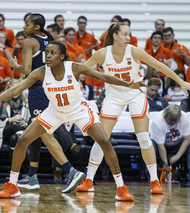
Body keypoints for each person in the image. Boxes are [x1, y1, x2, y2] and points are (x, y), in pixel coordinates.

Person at [0, 41, 143, 200]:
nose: (48, 56)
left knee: (104, 142)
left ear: (62, 56)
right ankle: (12, 185)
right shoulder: (41, 72)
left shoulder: (75, 68)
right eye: (47, 53)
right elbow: (16, 89)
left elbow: (103, 77)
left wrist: (127, 84)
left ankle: (121, 188)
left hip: (79, 110)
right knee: (23, 140)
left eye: (52, 53)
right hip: (54, 111)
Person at [79, 22, 190, 195]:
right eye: (124, 34)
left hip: (135, 93)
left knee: (144, 138)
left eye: (129, 34)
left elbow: (159, 66)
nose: (128, 37)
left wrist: (181, 81)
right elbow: (80, 69)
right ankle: (89, 179)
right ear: (115, 36)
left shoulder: (134, 51)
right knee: (102, 139)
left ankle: (154, 181)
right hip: (114, 95)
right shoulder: (102, 53)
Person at [8, 14, 82, 191]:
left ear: (36, 27)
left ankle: (70, 171)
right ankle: (32, 175)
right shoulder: (48, 39)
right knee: (36, 133)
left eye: (27, 24)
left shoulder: (28, 42)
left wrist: (14, 64)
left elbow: (26, 70)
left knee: (45, 133)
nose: (23, 27)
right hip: (51, 89)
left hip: (39, 91)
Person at [150, 104, 190, 181]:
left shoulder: (184, 118)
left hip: (178, 143)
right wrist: (165, 164)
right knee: (150, 146)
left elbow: (187, 140)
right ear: (165, 115)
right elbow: (160, 146)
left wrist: (177, 156)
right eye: (171, 120)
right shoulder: (158, 121)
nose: (173, 122)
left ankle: (189, 176)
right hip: (160, 144)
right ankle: (150, 175)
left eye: (176, 120)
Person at [0, 79, 30, 149]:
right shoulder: (1, 101)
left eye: (17, 88)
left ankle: (15, 159)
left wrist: (25, 124)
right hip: (3, 131)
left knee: (13, 139)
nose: (15, 91)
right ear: (8, 90)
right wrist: (11, 120)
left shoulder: (26, 103)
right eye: (13, 89)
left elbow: (29, 122)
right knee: (15, 127)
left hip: (21, 132)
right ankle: (26, 153)